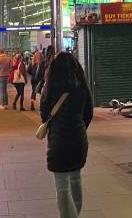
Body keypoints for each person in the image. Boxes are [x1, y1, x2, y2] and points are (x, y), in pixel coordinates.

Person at [41, 52, 93, 218]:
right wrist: (79, 128)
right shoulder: (81, 87)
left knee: (62, 186)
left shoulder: (49, 88)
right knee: (76, 179)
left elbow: (44, 115)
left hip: (58, 142)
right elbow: (88, 114)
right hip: (79, 140)